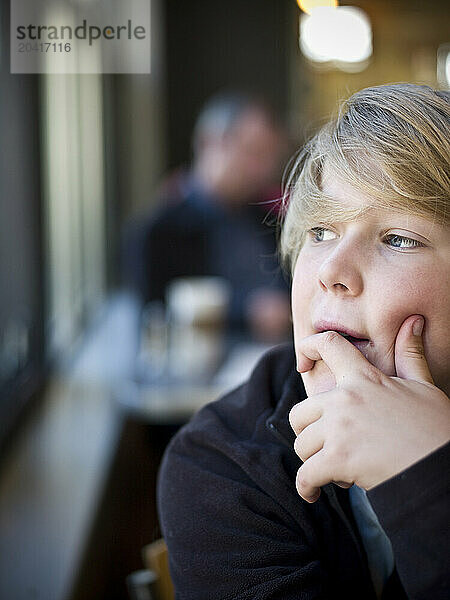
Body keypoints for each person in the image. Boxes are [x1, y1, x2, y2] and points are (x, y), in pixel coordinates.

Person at [157, 83, 450, 599]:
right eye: (319, 231)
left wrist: (429, 473)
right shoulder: (223, 463)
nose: (331, 270)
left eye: (398, 238)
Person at [122, 92, 291, 342]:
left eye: (269, 158)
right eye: (253, 153)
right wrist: (245, 313)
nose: (262, 170)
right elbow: (157, 317)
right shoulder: (157, 233)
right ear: (209, 143)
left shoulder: (269, 219)